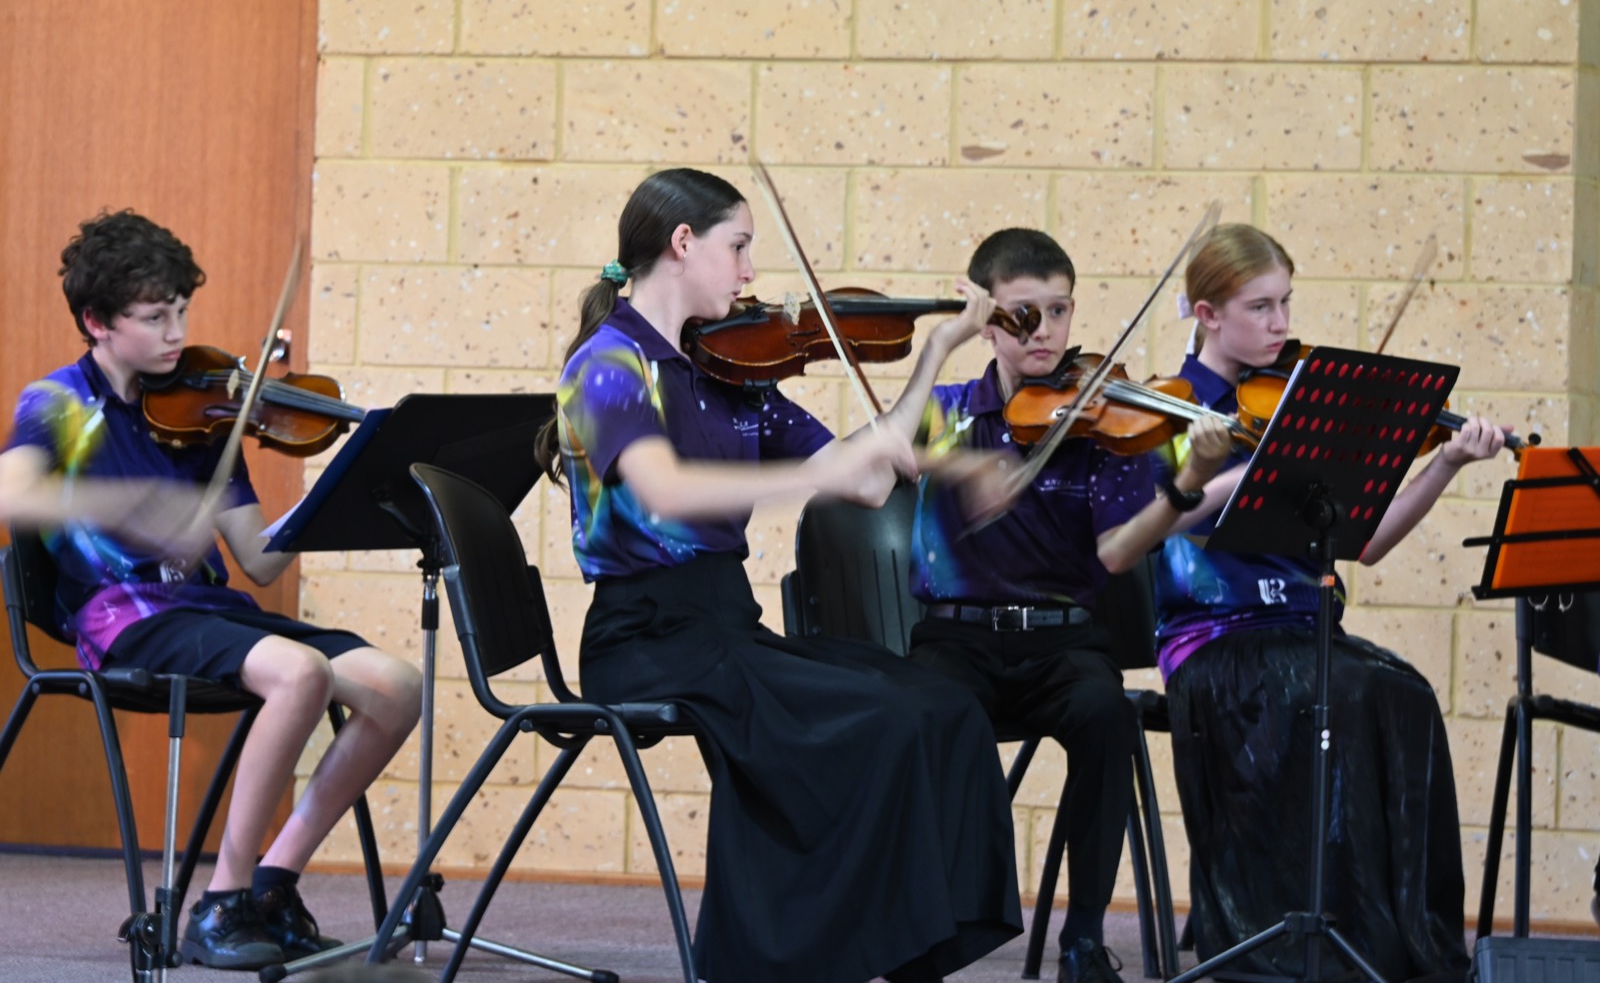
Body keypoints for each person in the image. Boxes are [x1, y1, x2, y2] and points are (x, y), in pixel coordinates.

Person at [531, 167, 1024, 983]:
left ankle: (908, 955)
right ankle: (776, 959)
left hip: (727, 629)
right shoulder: (608, 364)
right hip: (649, 640)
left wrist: (934, 349)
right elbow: (665, 489)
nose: (752, 272)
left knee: (943, 707)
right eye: (739, 247)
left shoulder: (733, 374)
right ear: (683, 245)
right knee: (879, 723)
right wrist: (803, 484)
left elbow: (867, 477)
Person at [0, 211, 423, 972]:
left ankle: (271, 885)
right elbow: (12, 500)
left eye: (182, 311)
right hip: (120, 616)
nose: (176, 332)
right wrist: (135, 507)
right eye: (154, 316)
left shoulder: (201, 418)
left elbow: (258, 562)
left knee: (395, 685)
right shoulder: (58, 403)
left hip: (207, 612)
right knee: (298, 673)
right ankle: (218, 906)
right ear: (97, 322)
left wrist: (341, 494)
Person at [1151, 223, 1507, 983]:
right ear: (1208, 314)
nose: (1282, 325)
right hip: (1216, 641)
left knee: (1399, 693)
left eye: (1286, 304)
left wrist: (1444, 461)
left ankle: (1397, 941)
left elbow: (1367, 542)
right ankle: (1283, 941)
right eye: (1260, 308)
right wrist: (1243, 465)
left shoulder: (1295, 406)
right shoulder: (1171, 412)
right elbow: (1163, 520)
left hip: (1302, 628)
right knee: (1334, 692)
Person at [876, 227, 1232, 983]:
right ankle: (927, 935)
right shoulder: (949, 408)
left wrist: (1185, 484)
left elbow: (1116, 553)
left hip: (1065, 642)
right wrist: (946, 367)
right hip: (954, 640)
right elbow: (883, 454)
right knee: (931, 718)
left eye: (1060, 310)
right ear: (988, 318)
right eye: (1021, 313)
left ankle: (1082, 938)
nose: (1045, 331)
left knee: (1106, 718)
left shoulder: (1102, 427)